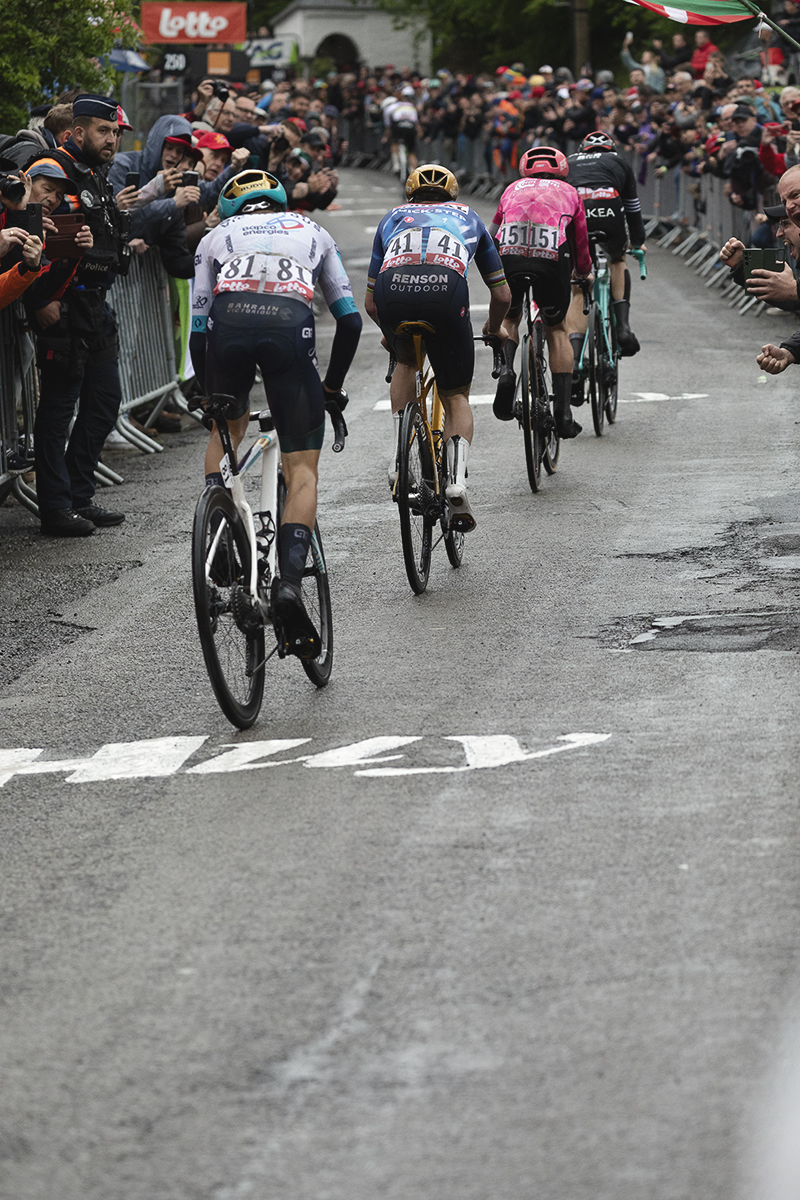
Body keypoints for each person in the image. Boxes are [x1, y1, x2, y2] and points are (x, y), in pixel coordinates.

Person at [190, 170, 362, 656]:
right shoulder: (312, 230)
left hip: (228, 329)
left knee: (226, 429)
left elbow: (198, 330)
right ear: (279, 202)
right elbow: (349, 321)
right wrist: (330, 387)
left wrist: (211, 398)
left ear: (229, 209)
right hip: (290, 332)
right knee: (301, 470)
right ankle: (288, 584)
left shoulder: (215, 236)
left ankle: (220, 528)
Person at [365, 164, 511, 531]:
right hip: (445, 293)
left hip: (392, 293)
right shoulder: (469, 217)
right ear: (454, 194)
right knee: (456, 394)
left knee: (406, 362)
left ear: (410, 193)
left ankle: (401, 457)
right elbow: (502, 294)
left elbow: (370, 304)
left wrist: (389, 333)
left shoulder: (392, 218)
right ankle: (457, 482)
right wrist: (495, 329)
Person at [26, 94, 129, 537]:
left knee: (105, 403)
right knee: (57, 410)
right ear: (79, 132)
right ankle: (55, 507)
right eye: (103, 131)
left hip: (94, 306)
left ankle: (78, 496)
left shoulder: (96, 174)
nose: (111, 140)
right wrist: (36, 302)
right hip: (62, 307)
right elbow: (27, 234)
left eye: (116, 132)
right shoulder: (53, 170)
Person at [488, 146, 592, 437]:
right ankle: (563, 412)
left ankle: (507, 371)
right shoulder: (570, 192)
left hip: (509, 254)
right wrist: (583, 271)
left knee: (511, 317)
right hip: (550, 259)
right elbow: (580, 242)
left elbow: (493, 230)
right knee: (557, 329)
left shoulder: (511, 188)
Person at [566, 129, 647, 369]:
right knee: (617, 259)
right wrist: (638, 240)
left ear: (583, 150)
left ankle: (576, 356)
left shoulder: (569, 161)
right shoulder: (619, 161)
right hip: (608, 211)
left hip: (577, 212)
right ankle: (622, 328)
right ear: (611, 149)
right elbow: (632, 208)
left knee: (580, 282)